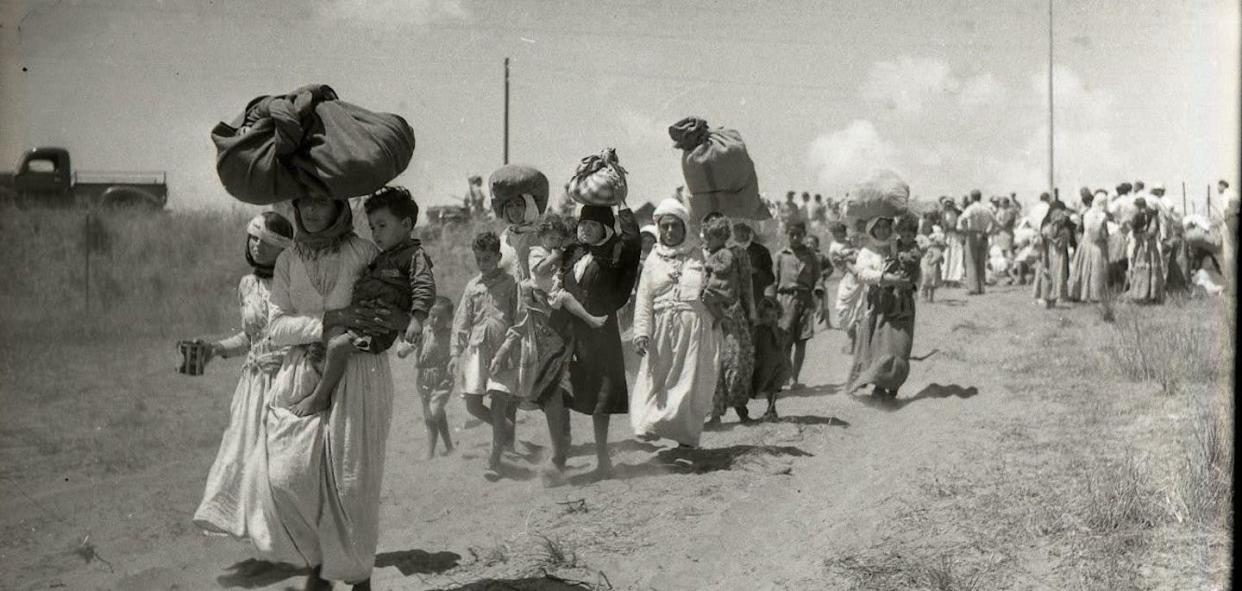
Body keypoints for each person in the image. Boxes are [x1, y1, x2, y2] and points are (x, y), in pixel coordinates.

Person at [263, 195, 410, 590]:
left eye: (321, 202)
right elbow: (276, 328)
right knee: (289, 477)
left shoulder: (364, 251)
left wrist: (384, 322)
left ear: (339, 206)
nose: (311, 211)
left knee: (352, 487)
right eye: (304, 202)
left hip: (359, 376)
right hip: (301, 374)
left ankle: (357, 579)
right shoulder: (288, 260)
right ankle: (318, 567)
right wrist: (330, 319)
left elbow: (393, 303)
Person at [192, 212, 293, 539]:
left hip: (288, 381)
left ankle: (293, 536)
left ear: (283, 249)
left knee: (284, 462)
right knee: (243, 455)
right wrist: (215, 348)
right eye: (254, 239)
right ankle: (261, 531)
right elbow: (250, 337)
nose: (257, 246)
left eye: (266, 242)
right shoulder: (246, 284)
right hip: (252, 387)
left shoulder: (295, 283)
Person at [297, 187, 435, 413]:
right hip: (363, 320)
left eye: (382, 226)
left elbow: (424, 287)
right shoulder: (384, 256)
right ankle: (322, 381)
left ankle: (320, 396)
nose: (376, 233)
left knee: (337, 346)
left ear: (406, 225)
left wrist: (416, 320)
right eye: (372, 227)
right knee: (321, 345)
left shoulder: (414, 257)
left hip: (374, 334)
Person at [558, 203, 642, 478]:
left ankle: (603, 457)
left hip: (599, 333)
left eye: (593, 225)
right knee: (560, 389)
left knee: (601, 395)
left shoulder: (613, 255)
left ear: (605, 229)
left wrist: (623, 207)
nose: (585, 228)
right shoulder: (572, 253)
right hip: (570, 333)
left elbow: (631, 245)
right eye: (583, 224)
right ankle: (560, 454)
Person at [630, 198, 722, 447]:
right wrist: (641, 332)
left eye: (675, 226)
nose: (670, 231)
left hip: (694, 331)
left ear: (684, 227)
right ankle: (649, 425)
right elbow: (644, 299)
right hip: (661, 330)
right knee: (656, 381)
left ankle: (685, 439)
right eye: (665, 226)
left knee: (687, 385)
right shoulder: (652, 260)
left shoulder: (700, 254)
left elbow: (718, 284)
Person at [451, 231, 520, 481]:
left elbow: (519, 319)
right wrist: (454, 353)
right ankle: (505, 426)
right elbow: (461, 320)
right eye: (479, 259)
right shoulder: (473, 286)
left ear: (498, 257)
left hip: (504, 351)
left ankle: (495, 460)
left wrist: (511, 346)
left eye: (488, 258)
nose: (483, 264)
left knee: (499, 401)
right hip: (477, 350)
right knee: (472, 404)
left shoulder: (511, 284)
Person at [848, 211, 918, 400]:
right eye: (878, 227)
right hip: (879, 304)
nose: (882, 230)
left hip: (902, 303)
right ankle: (880, 385)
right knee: (881, 347)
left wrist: (909, 281)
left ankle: (893, 383)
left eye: (886, 226)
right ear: (871, 228)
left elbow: (914, 267)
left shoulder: (900, 244)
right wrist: (888, 278)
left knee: (901, 346)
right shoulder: (867, 250)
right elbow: (862, 274)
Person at [701, 213, 755, 429]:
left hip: (733, 313)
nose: (707, 238)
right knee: (713, 363)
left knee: (739, 359)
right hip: (708, 314)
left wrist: (751, 311)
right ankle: (714, 414)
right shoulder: (702, 254)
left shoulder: (738, 253)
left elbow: (746, 284)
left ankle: (741, 408)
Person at [526, 215, 608, 328]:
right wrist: (552, 258)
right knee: (566, 297)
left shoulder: (557, 252)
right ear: (541, 237)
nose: (556, 242)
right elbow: (539, 270)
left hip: (556, 287)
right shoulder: (537, 252)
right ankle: (590, 319)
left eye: (559, 239)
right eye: (551, 238)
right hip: (550, 293)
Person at [399, 296, 455, 458]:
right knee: (434, 412)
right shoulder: (424, 331)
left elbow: (457, 350)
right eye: (432, 315)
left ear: (449, 319)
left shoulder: (450, 335)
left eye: (440, 317)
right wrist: (404, 350)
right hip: (423, 378)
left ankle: (429, 452)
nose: (435, 320)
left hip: (443, 378)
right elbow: (411, 344)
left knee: (432, 414)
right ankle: (449, 446)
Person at [767, 221, 821, 390]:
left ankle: (794, 378)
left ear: (804, 235)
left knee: (802, 341)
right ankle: (787, 373)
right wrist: (771, 303)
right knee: (784, 341)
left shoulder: (810, 255)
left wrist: (818, 296)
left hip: (805, 300)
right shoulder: (780, 256)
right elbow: (772, 282)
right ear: (787, 235)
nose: (796, 238)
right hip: (785, 301)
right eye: (792, 234)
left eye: (799, 234)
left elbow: (818, 278)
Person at [1067, 189, 1110, 303]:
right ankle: (1096, 295)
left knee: (1084, 269)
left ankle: (1082, 293)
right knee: (1097, 270)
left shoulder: (1086, 213)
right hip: (1098, 245)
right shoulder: (1102, 216)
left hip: (1085, 244)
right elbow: (1103, 232)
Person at [751, 297, 790, 421]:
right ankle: (770, 409)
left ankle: (772, 409)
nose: (772, 319)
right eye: (768, 316)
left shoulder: (780, 331)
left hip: (778, 365)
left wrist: (775, 332)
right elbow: (754, 346)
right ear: (761, 317)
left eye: (774, 316)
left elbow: (781, 344)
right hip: (764, 365)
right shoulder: (758, 331)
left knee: (774, 388)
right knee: (766, 387)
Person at [1033, 200, 1073, 308]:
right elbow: (1062, 243)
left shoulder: (1045, 226)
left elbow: (1042, 239)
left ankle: (1045, 295)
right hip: (1059, 254)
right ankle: (1058, 295)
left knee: (1047, 274)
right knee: (1059, 274)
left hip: (1047, 252)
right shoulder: (1064, 231)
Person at [828, 222, 862, 348]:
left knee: (859, 309)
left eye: (841, 232)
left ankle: (857, 341)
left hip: (859, 275)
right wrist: (849, 256)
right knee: (843, 308)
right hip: (847, 276)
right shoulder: (833, 246)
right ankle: (851, 336)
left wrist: (854, 251)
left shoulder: (850, 241)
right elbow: (838, 262)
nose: (839, 235)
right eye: (836, 233)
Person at [1125, 198, 1165, 304]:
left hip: (1150, 246)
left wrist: (1141, 234)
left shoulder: (1154, 219)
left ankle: (1150, 294)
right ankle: (1142, 294)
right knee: (1144, 268)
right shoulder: (1146, 218)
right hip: (1145, 246)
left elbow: (1151, 232)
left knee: (1149, 269)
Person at [957, 189, 996, 295]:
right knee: (981, 262)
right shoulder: (986, 209)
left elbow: (963, 219)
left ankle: (973, 288)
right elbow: (994, 221)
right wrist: (988, 232)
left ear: (972, 197)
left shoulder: (970, 208)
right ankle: (981, 287)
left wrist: (965, 231)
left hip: (972, 234)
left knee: (971, 261)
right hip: (983, 234)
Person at [733, 222, 775, 308]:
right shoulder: (728, 252)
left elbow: (770, 278)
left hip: (756, 299)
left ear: (749, 232)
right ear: (733, 233)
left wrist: (756, 271)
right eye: (738, 230)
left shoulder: (761, 251)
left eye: (744, 230)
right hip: (735, 300)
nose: (741, 233)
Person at [804, 234, 835, 328]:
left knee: (825, 302)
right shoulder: (803, 256)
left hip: (820, 283)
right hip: (807, 285)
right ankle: (808, 326)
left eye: (812, 243)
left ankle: (828, 323)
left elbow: (830, 268)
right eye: (807, 243)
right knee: (810, 306)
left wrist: (823, 274)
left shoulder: (821, 256)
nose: (809, 245)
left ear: (817, 245)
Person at [940, 198, 966, 286]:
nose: (948, 205)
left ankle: (955, 278)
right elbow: (944, 226)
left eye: (950, 203)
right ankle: (945, 277)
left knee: (956, 256)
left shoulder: (956, 213)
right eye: (946, 203)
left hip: (955, 236)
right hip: (947, 236)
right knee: (947, 256)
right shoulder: (943, 214)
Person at [919, 235, 945, 302]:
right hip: (928, 268)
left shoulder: (937, 250)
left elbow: (940, 258)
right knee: (926, 283)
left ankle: (930, 298)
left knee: (931, 285)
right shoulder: (929, 249)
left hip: (934, 269)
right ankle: (925, 297)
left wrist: (936, 261)